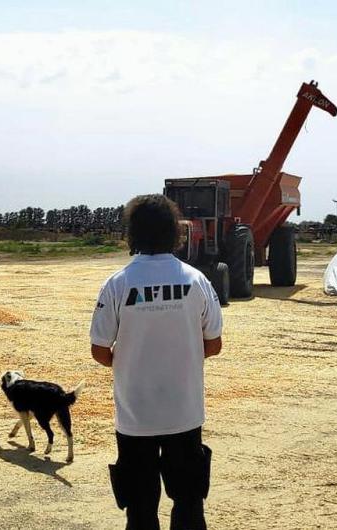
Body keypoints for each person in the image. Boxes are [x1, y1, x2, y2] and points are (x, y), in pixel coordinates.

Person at [90, 194, 223, 530]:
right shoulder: (197, 281)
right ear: (174, 233)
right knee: (189, 504)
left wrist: (133, 361)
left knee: (140, 510)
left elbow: (100, 351)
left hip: (135, 417)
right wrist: (182, 357)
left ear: (132, 233)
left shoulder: (118, 284)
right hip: (184, 413)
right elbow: (215, 344)